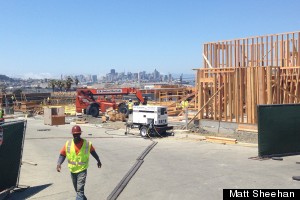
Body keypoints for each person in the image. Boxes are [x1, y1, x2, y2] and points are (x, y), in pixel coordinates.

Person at [56, 125, 102, 200]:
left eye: (77, 134)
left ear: (80, 134)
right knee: (78, 191)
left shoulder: (87, 144)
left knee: (80, 190)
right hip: (72, 170)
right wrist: (59, 163)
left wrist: (98, 160)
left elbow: (93, 152)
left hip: (82, 170)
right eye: (75, 134)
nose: (76, 136)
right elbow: (62, 155)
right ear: (72, 134)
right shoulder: (68, 144)